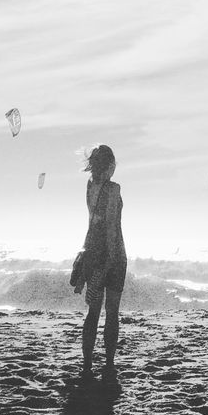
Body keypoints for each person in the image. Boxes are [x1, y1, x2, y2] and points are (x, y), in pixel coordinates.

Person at [80, 145, 127, 379]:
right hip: (113, 253)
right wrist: (110, 258)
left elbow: (94, 221)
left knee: (93, 312)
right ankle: (109, 362)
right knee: (112, 311)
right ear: (109, 166)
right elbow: (110, 224)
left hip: (91, 251)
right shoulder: (114, 188)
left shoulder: (90, 187)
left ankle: (87, 364)